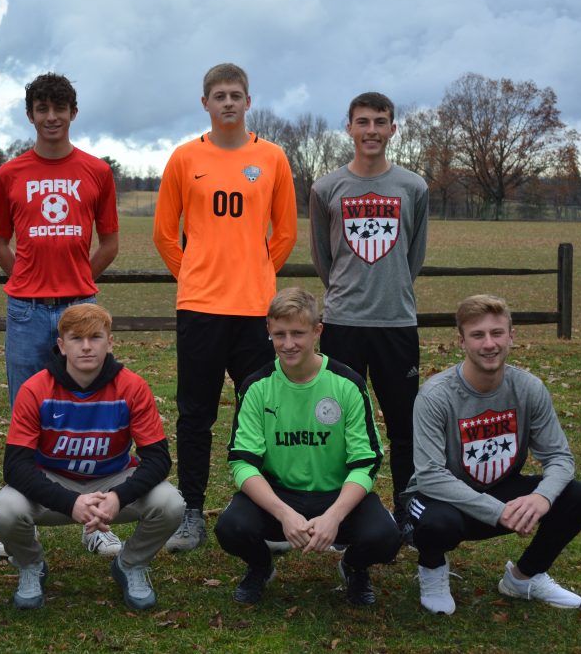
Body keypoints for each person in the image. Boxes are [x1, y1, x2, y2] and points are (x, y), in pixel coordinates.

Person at [152, 63, 297, 552]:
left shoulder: (273, 157)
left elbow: (286, 233)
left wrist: (256, 270)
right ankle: (191, 510)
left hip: (257, 311)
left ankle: (260, 511)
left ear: (249, 102)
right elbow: (165, 234)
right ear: (206, 104)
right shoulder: (183, 158)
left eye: (236, 94)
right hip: (200, 307)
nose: (228, 102)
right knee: (196, 413)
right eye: (219, 95)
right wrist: (194, 272)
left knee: (258, 413)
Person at [0, 72, 121, 558]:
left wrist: (80, 282)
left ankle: (96, 521)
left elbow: (110, 242)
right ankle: (25, 521)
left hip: (79, 310)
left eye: (59, 109)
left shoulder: (95, 171)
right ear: (31, 115)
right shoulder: (10, 174)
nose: (51, 118)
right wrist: (24, 276)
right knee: (28, 411)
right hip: (25, 310)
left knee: (89, 411)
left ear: (73, 113)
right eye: (42, 109)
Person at [405, 294, 581, 615]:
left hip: (500, 491)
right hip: (439, 498)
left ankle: (524, 578)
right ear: (462, 341)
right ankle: (432, 570)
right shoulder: (435, 395)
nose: (489, 343)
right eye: (477, 335)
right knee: (437, 525)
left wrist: (541, 499)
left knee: (579, 496)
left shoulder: (528, 388)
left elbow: (560, 459)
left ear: (512, 336)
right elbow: (429, 475)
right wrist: (497, 511)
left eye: (497, 333)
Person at [0, 304, 185, 610]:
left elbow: (158, 459)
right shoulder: (35, 389)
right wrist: (70, 502)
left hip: (112, 480)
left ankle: (130, 564)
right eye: (75, 338)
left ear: (110, 342)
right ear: (61, 345)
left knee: (171, 503)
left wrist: (118, 496)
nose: (85, 346)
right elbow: (15, 467)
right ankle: (31, 565)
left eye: (95, 337)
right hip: (53, 481)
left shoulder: (132, 386)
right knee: (5, 509)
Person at [214, 288, 399, 605]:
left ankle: (353, 566)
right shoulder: (257, 386)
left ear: (317, 331)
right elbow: (242, 463)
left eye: (298, 333)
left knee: (385, 537)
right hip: (280, 494)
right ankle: (260, 566)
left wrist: (335, 516)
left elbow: (365, 462)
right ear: (268, 332)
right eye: (279, 334)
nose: (288, 344)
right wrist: (284, 513)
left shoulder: (347, 383)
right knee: (231, 527)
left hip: (336, 493)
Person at [309, 91, 429, 543]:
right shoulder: (326, 188)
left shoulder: (413, 187)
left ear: (393, 128)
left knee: (403, 425)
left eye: (381, 122)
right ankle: (340, 513)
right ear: (349, 128)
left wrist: (391, 287)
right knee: (339, 424)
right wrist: (348, 288)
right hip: (343, 322)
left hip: (396, 322)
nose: (372, 130)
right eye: (363, 122)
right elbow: (324, 256)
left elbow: (414, 255)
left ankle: (407, 507)